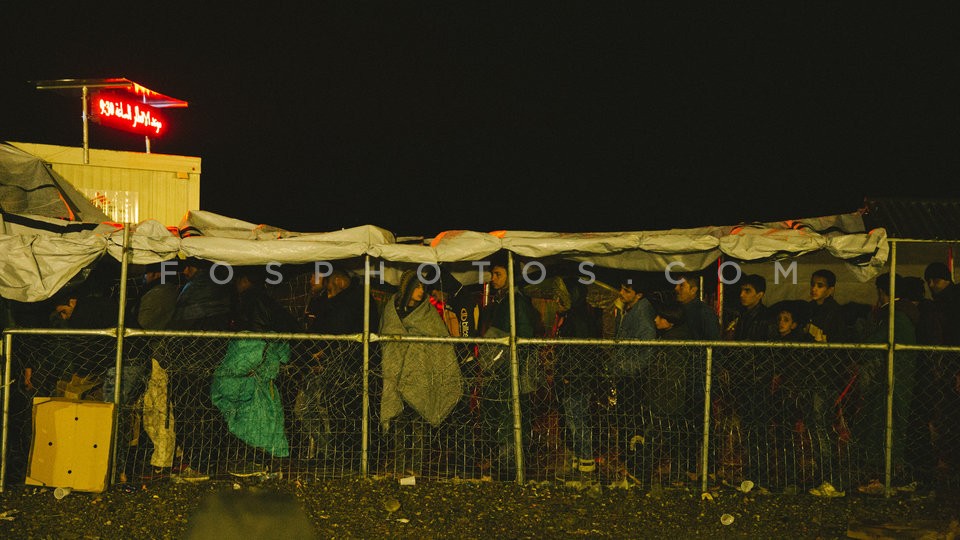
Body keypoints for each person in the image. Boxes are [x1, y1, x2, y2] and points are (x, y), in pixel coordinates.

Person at [212, 267, 299, 474]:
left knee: (251, 417)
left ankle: (256, 461)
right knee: (263, 419)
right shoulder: (267, 303)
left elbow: (252, 345)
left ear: (244, 280)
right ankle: (263, 460)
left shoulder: (249, 303)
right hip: (260, 374)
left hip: (252, 372)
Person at [379, 269, 464, 476]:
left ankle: (415, 467)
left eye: (423, 287)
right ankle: (398, 466)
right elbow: (387, 339)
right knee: (399, 423)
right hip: (397, 374)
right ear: (407, 289)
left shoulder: (427, 312)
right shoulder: (392, 311)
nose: (421, 291)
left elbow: (440, 341)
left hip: (421, 376)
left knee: (419, 424)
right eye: (416, 287)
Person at [297, 267, 381, 464]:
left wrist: (321, 353)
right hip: (328, 366)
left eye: (315, 276)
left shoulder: (351, 302)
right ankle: (330, 454)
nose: (311, 281)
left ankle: (337, 456)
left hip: (343, 368)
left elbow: (336, 332)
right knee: (310, 409)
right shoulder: (330, 301)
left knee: (333, 411)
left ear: (336, 280)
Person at [476, 254, 542, 480]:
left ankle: (510, 468)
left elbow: (521, 337)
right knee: (504, 419)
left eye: (498, 274)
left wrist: (499, 360)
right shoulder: (504, 301)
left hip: (511, 372)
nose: (493, 279)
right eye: (492, 274)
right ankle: (506, 466)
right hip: (503, 371)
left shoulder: (516, 302)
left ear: (510, 276)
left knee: (510, 420)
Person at [856, 273, 918, 491]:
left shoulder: (894, 317)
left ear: (882, 292)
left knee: (885, 425)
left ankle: (885, 476)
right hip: (898, 377)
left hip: (892, 378)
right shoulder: (906, 313)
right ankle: (888, 475)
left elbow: (871, 343)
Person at [553, 277, 604, 481]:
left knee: (578, 421)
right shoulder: (575, 317)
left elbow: (580, 352)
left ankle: (585, 463)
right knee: (574, 420)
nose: (557, 300)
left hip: (575, 380)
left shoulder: (578, 320)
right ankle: (578, 461)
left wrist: (568, 375)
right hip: (574, 379)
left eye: (561, 296)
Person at [645, 301, 694, 483]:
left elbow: (671, 375)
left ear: (671, 321)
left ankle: (642, 472)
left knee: (656, 437)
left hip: (668, 399)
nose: (656, 320)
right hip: (670, 398)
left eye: (661, 317)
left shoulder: (673, 344)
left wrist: (661, 399)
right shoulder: (673, 338)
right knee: (674, 438)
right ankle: (677, 475)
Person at [674, 272, 721, 340]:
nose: (676, 288)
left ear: (693, 290)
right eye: (676, 285)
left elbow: (714, 339)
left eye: (681, 285)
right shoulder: (678, 308)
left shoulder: (704, 312)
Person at [805, 269, 845, 343]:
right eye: (812, 284)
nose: (814, 289)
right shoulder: (808, 307)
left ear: (830, 290)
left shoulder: (835, 311)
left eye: (820, 286)